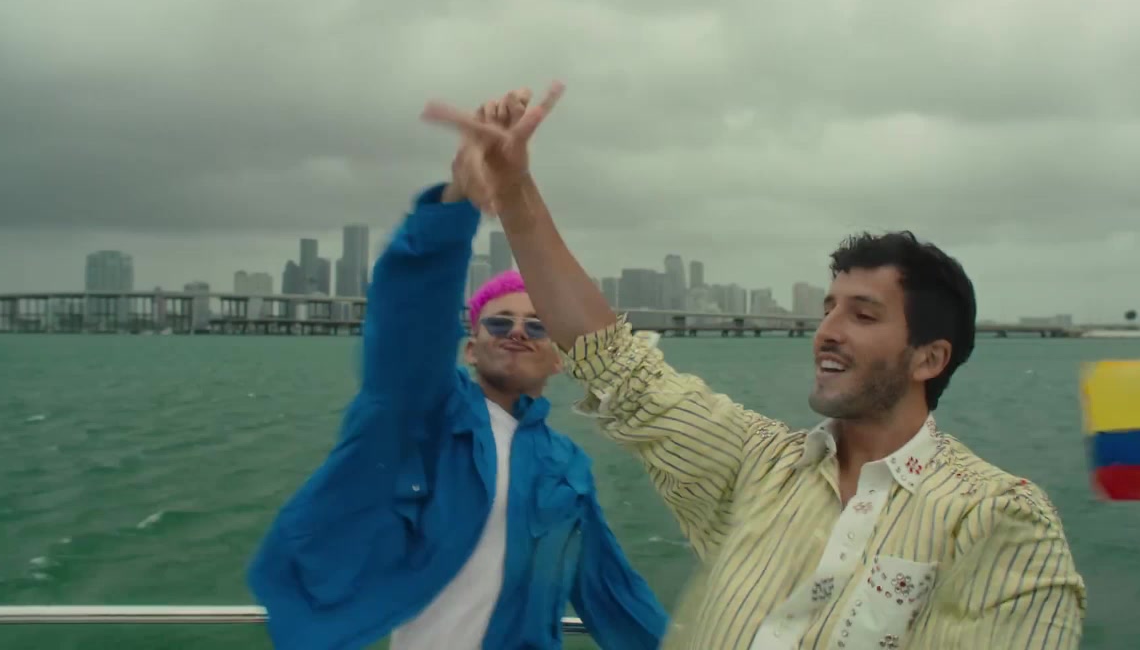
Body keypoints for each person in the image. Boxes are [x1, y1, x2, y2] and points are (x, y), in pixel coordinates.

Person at [420, 83, 1088, 649]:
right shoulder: (759, 468)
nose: (827, 332)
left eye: (863, 315)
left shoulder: (994, 515)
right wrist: (514, 190)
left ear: (929, 358)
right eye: (828, 308)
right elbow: (618, 366)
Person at [246, 92, 668, 650]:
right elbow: (409, 329)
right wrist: (457, 205)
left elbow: (612, 591)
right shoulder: (424, 418)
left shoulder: (567, 468)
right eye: (499, 322)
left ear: (559, 359)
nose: (517, 332)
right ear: (470, 348)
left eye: (537, 326)